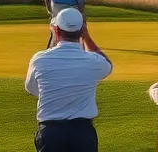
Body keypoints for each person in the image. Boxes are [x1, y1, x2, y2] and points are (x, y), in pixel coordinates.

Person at [25, 8, 112, 152]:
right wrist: (87, 38)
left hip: (51, 132)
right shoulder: (93, 60)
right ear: (81, 31)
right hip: (82, 133)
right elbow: (107, 65)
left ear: (56, 30)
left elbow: (31, 89)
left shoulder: (39, 59)